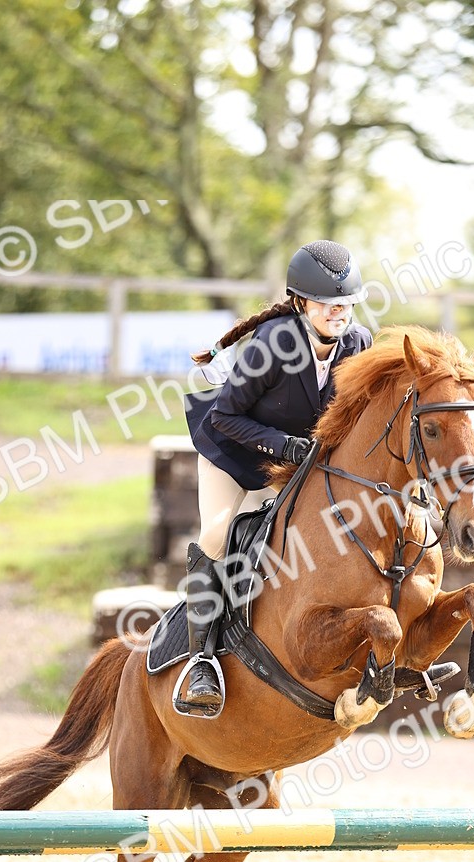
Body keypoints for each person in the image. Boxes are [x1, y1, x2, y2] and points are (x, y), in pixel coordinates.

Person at [179, 239, 372, 714]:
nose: (339, 313)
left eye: (345, 303)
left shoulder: (358, 343)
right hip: (235, 453)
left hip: (294, 462)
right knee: (220, 532)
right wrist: (283, 446)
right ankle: (200, 659)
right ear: (302, 303)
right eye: (328, 304)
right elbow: (225, 416)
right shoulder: (273, 344)